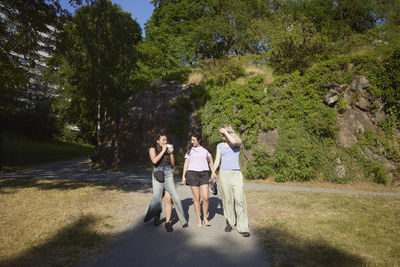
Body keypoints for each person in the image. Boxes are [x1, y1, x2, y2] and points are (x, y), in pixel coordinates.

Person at [144, 133, 188, 232]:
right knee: (158, 198)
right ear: (157, 141)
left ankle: (168, 223)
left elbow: (172, 164)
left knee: (170, 199)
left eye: (166, 140)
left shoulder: (168, 149)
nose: (165, 142)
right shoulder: (152, 149)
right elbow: (154, 161)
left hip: (168, 174)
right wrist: (163, 150)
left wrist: (171, 153)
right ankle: (156, 214)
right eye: (163, 140)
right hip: (158, 174)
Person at [213, 125, 250, 237]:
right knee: (227, 199)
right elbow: (217, 160)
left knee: (239, 199)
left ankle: (243, 226)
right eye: (222, 134)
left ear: (229, 132)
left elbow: (234, 142)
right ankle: (230, 222)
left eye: (224, 133)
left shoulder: (237, 141)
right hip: (224, 174)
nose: (222, 135)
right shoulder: (220, 145)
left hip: (236, 174)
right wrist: (213, 172)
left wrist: (227, 132)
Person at [182, 132, 216, 228]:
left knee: (205, 198)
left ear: (199, 140)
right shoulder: (190, 150)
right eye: (191, 140)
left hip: (204, 174)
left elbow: (211, 162)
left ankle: (205, 218)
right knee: (197, 199)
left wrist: (213, 172)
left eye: (194, 140)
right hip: (192, 174)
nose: (192, 142)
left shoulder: (205, 150)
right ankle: (199, 219)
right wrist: (183, 176)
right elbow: (186, 163)